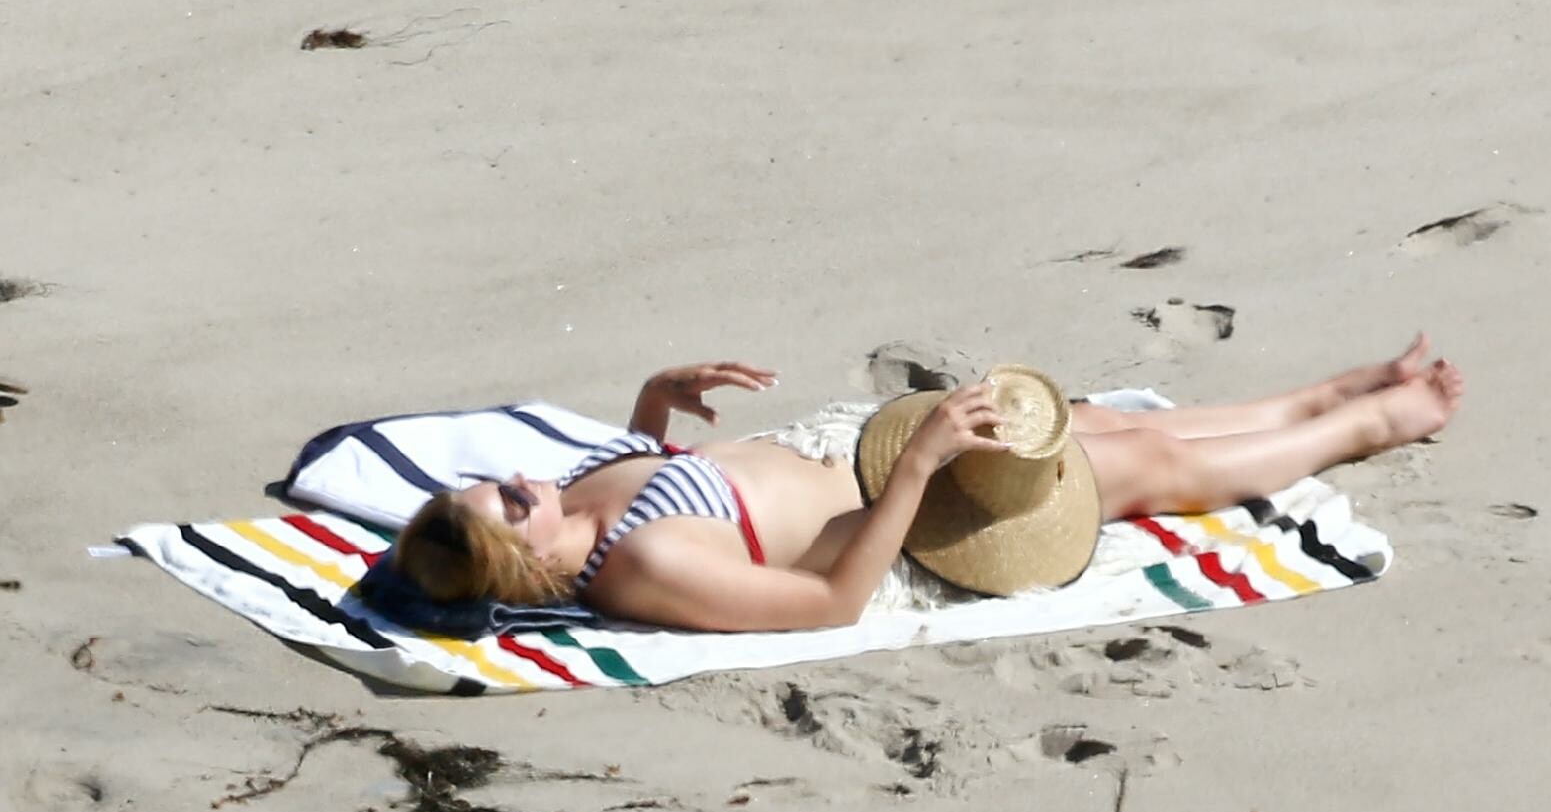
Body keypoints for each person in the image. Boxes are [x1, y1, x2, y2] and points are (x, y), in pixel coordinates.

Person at [393, 337, 1463, 632]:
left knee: (1108, 426)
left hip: (872, 451)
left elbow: (670, 485)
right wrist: (920, 465)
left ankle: (1321, 395)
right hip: (918, 519)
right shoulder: (645, 569)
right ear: (521, 559)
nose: (522, 479)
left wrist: (652, 406)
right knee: (1150, 470)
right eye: (509, 503)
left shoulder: (582, 506)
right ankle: (1369, 424)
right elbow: (829, 601)